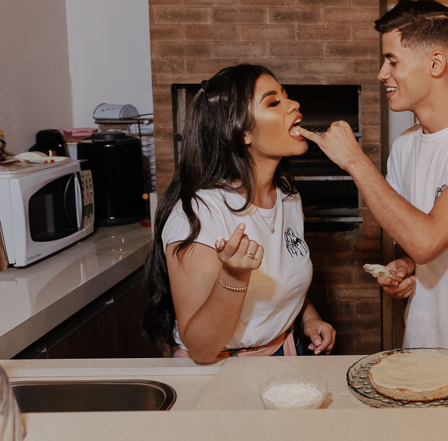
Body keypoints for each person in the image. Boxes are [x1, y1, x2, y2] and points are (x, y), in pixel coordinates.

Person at [297, 0, 448, 354]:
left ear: (436, 63)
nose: (381, 74)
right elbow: (419, 245)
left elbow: (427, 239)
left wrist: (356, 162)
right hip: (422, 346)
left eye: (392, 61)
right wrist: (407, 268)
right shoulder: (405, 146)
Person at [143, 64, 336, 363]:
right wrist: (234, 275)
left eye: (286, 96)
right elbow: (202, 349)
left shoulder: (287, 196)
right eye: (274, 102)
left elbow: (280, 276)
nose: (294, 104)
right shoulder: (196, 213)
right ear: (241, 132)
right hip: (220, 372)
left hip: (286, 355)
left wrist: (308, 318)